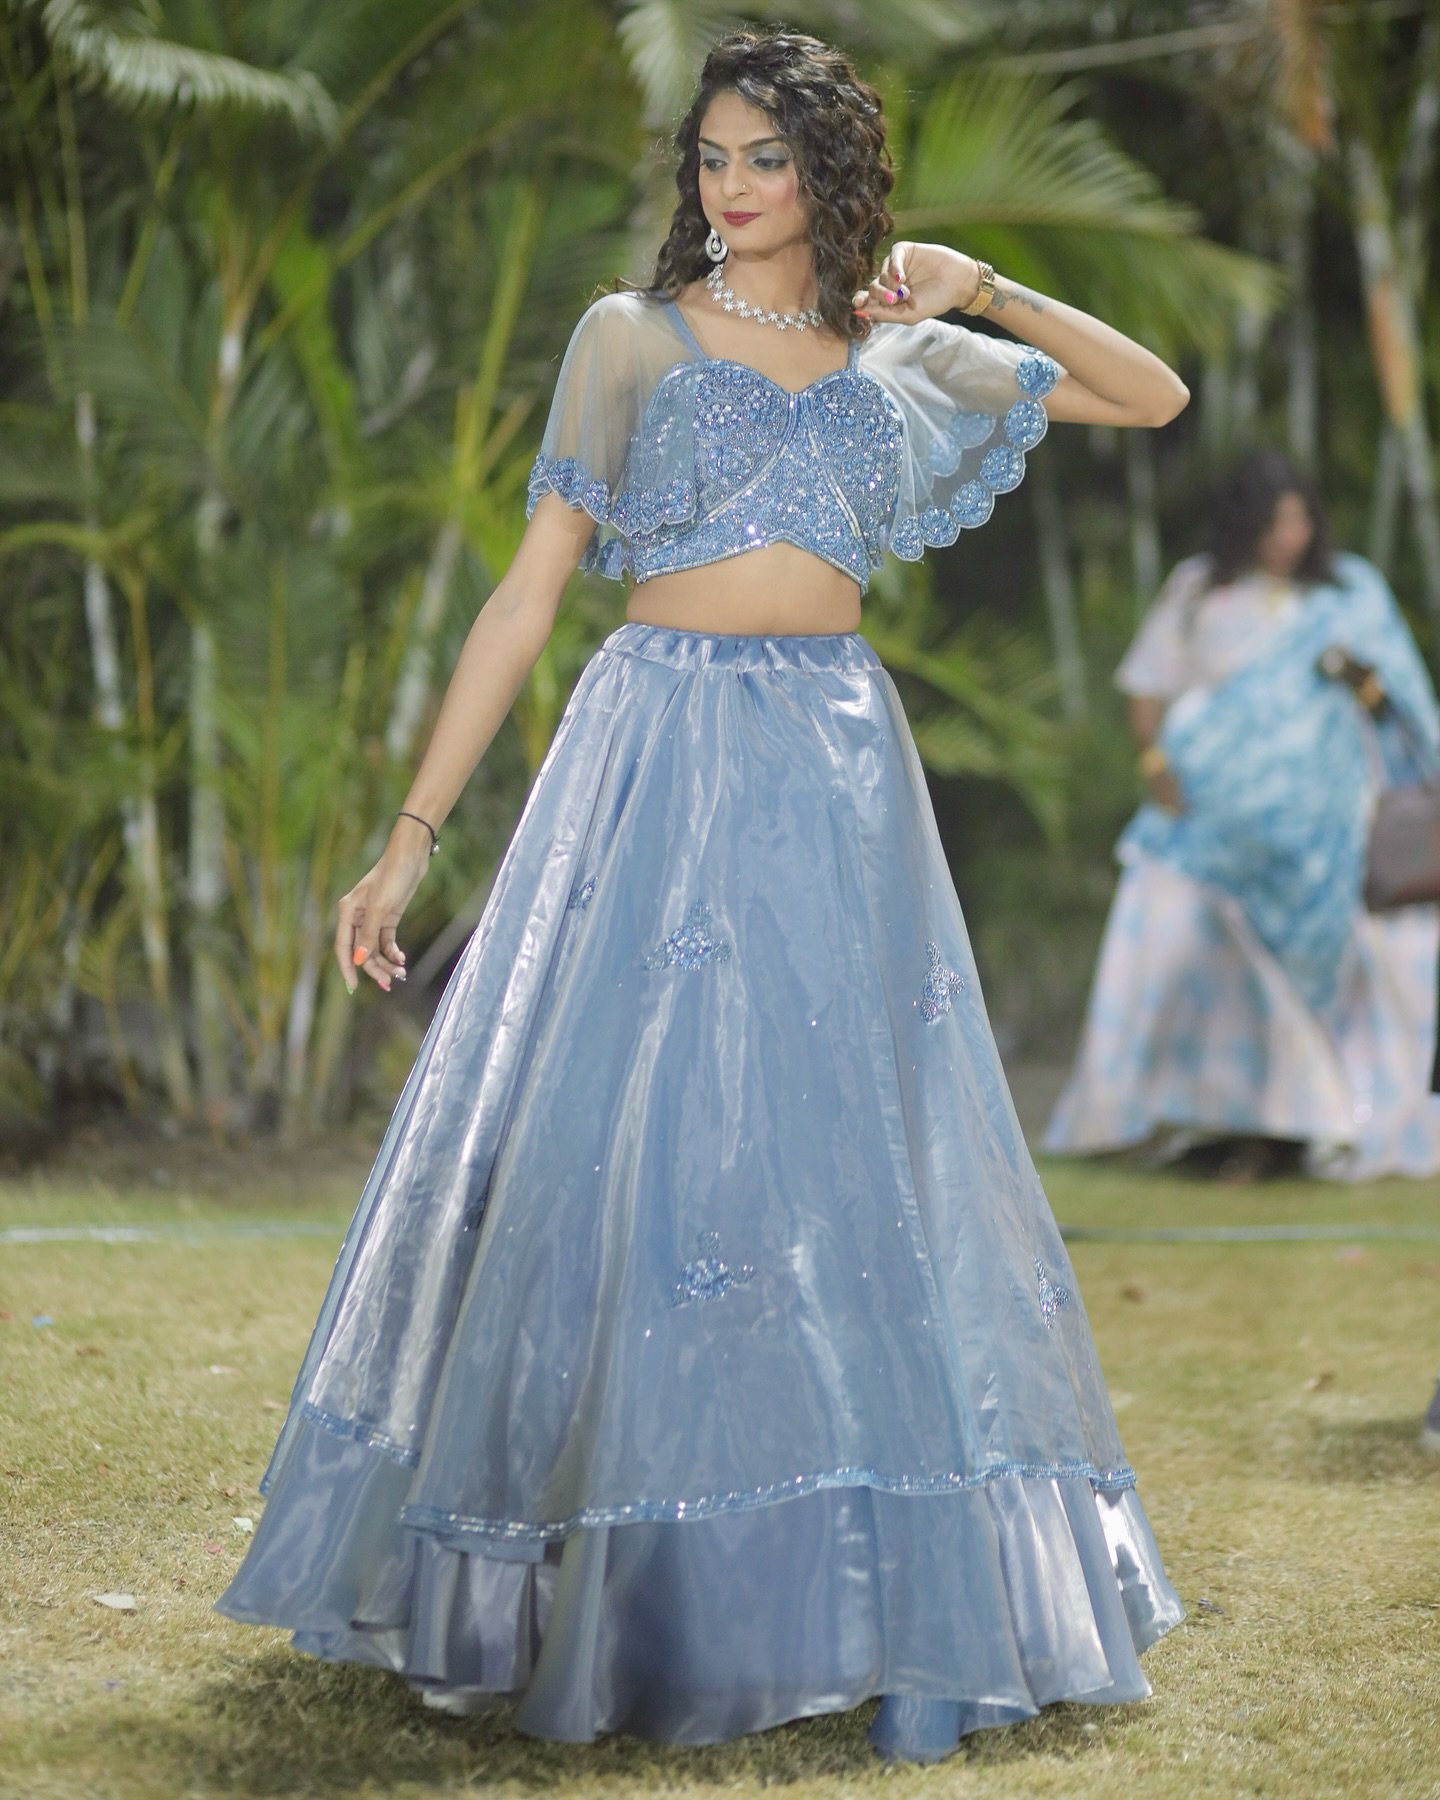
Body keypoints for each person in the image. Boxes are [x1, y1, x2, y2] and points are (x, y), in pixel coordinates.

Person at [216, 28, 1190, 1764]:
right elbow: (530, 593)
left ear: (830, 172)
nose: (731, 188)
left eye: (766, 158)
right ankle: (612, 1581)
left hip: (838, 770)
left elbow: (1152, 394)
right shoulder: (629, 336)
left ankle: (844, 1586)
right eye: (712, 158)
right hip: (655, 751)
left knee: (844, 1163)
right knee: (647, 1154)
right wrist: (413, 833)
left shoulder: (899, 354)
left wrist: (981, 285)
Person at [1045, 452, 1440, 1182]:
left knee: (1323, 966)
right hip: (1217, 828)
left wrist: (1355, 674)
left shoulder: (1348, 592)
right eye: (1272, 523)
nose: (1288, 537)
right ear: (1241, 525)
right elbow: (1146, 688)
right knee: (1205, 953)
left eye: (1298, 520)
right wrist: (1155, 764)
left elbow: (1401, 706)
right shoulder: (1200, 591)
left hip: (1321, 835)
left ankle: (1312, 1126)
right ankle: (1226, 1123)